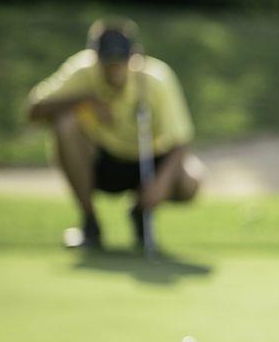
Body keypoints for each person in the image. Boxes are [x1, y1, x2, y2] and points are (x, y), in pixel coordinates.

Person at [27, 18, 203, 251]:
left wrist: (161, 184)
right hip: (102, 160)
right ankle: (90, 223)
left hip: (147, 161)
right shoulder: (82, 71)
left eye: (119, 63)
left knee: (191, 180)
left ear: (134, 57)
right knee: (65, 124)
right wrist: (84, 100)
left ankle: (139, 213)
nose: (113, 71)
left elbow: (180, 140)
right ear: (94, 57)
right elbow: (34, 110)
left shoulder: (157, 79)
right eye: (107, 63)